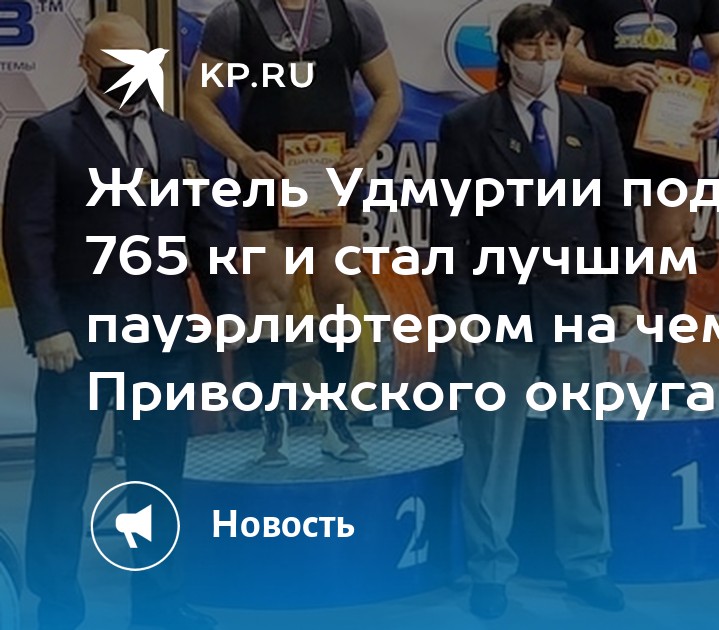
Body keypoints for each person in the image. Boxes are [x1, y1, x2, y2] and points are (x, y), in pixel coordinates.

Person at [2, 14, 245, 629]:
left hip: (162, 343)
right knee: (62, 477)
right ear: (86, 65)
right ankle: (57, 605)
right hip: (78, 346)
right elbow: (27, 238)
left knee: (159, 478)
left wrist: (229, 311)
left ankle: (159, 604)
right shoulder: (49, 136)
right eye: (117, 68)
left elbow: (207, 232)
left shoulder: (177, 136)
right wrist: (46, 326)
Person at [431, 4, 638, 619]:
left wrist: (625, 293)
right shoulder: (468, 124)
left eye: (553, 46)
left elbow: (615, 210)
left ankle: (587, 564)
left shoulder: (594, 119)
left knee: (581, 444)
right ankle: (490, 570)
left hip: (577, 302)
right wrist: (456, 310)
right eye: (531, 47)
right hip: (497, 307)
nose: (543, 58)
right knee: (492, 446)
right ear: (507, 53)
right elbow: (449, 227)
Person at [185, 0, 402, 466]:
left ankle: (337, 422)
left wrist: (364, 150)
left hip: (334, 178)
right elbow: (197, 100)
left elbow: (390, 94)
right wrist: (243, 155)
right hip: (266, 177)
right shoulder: (234, 17)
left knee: (338, 292)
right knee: (267, 299)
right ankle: (273, 423)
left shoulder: (354, 14)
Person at [552, 0, 719, 404]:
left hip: (672, 135)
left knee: (672, 248)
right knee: (592, 251)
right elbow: (559, 52)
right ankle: (587, 364)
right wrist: (614, 75)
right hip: (604, 132)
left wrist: (716, 104)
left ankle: (665, 367)